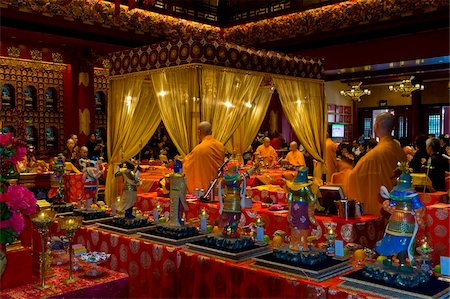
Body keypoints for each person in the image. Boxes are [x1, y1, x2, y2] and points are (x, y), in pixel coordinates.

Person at [346, 112, 407, 216]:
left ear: (377, 126)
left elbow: (354, 177)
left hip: (382, 206)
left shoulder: (375, 154)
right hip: (401, 203)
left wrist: (345, 173)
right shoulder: (399, 150)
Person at [183, 121, 225, 194]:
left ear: (199, 132)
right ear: (211, 132)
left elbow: (187, 165)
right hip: (217, 186)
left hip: (203, 188)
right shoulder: (220, 146)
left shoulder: (199, 149)